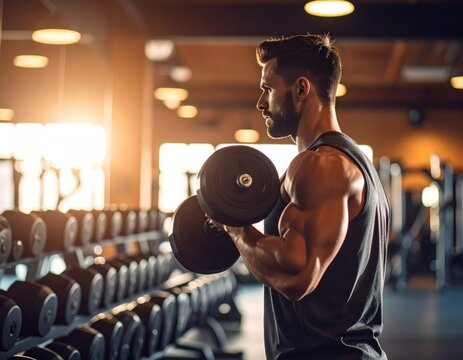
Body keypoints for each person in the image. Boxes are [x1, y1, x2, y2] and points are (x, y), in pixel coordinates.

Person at [220, 34, 390, 359]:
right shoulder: (356, 163)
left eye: (268, 89)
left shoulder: (318, 166)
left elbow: (297, 275)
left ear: (300, 89)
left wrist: (236, 229)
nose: (260, 102)